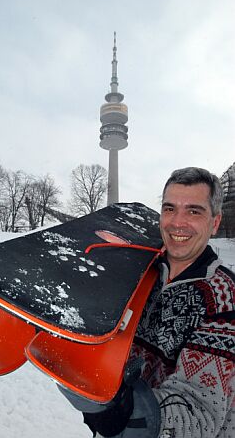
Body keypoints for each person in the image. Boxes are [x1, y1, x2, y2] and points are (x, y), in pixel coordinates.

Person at [60, 167, 235, 438]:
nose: (177, 222)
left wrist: (123, 412)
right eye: (169, 209)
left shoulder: (224, 298)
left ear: (214, 223)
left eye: (193, 211)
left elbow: (199, 412)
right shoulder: (137, 275)